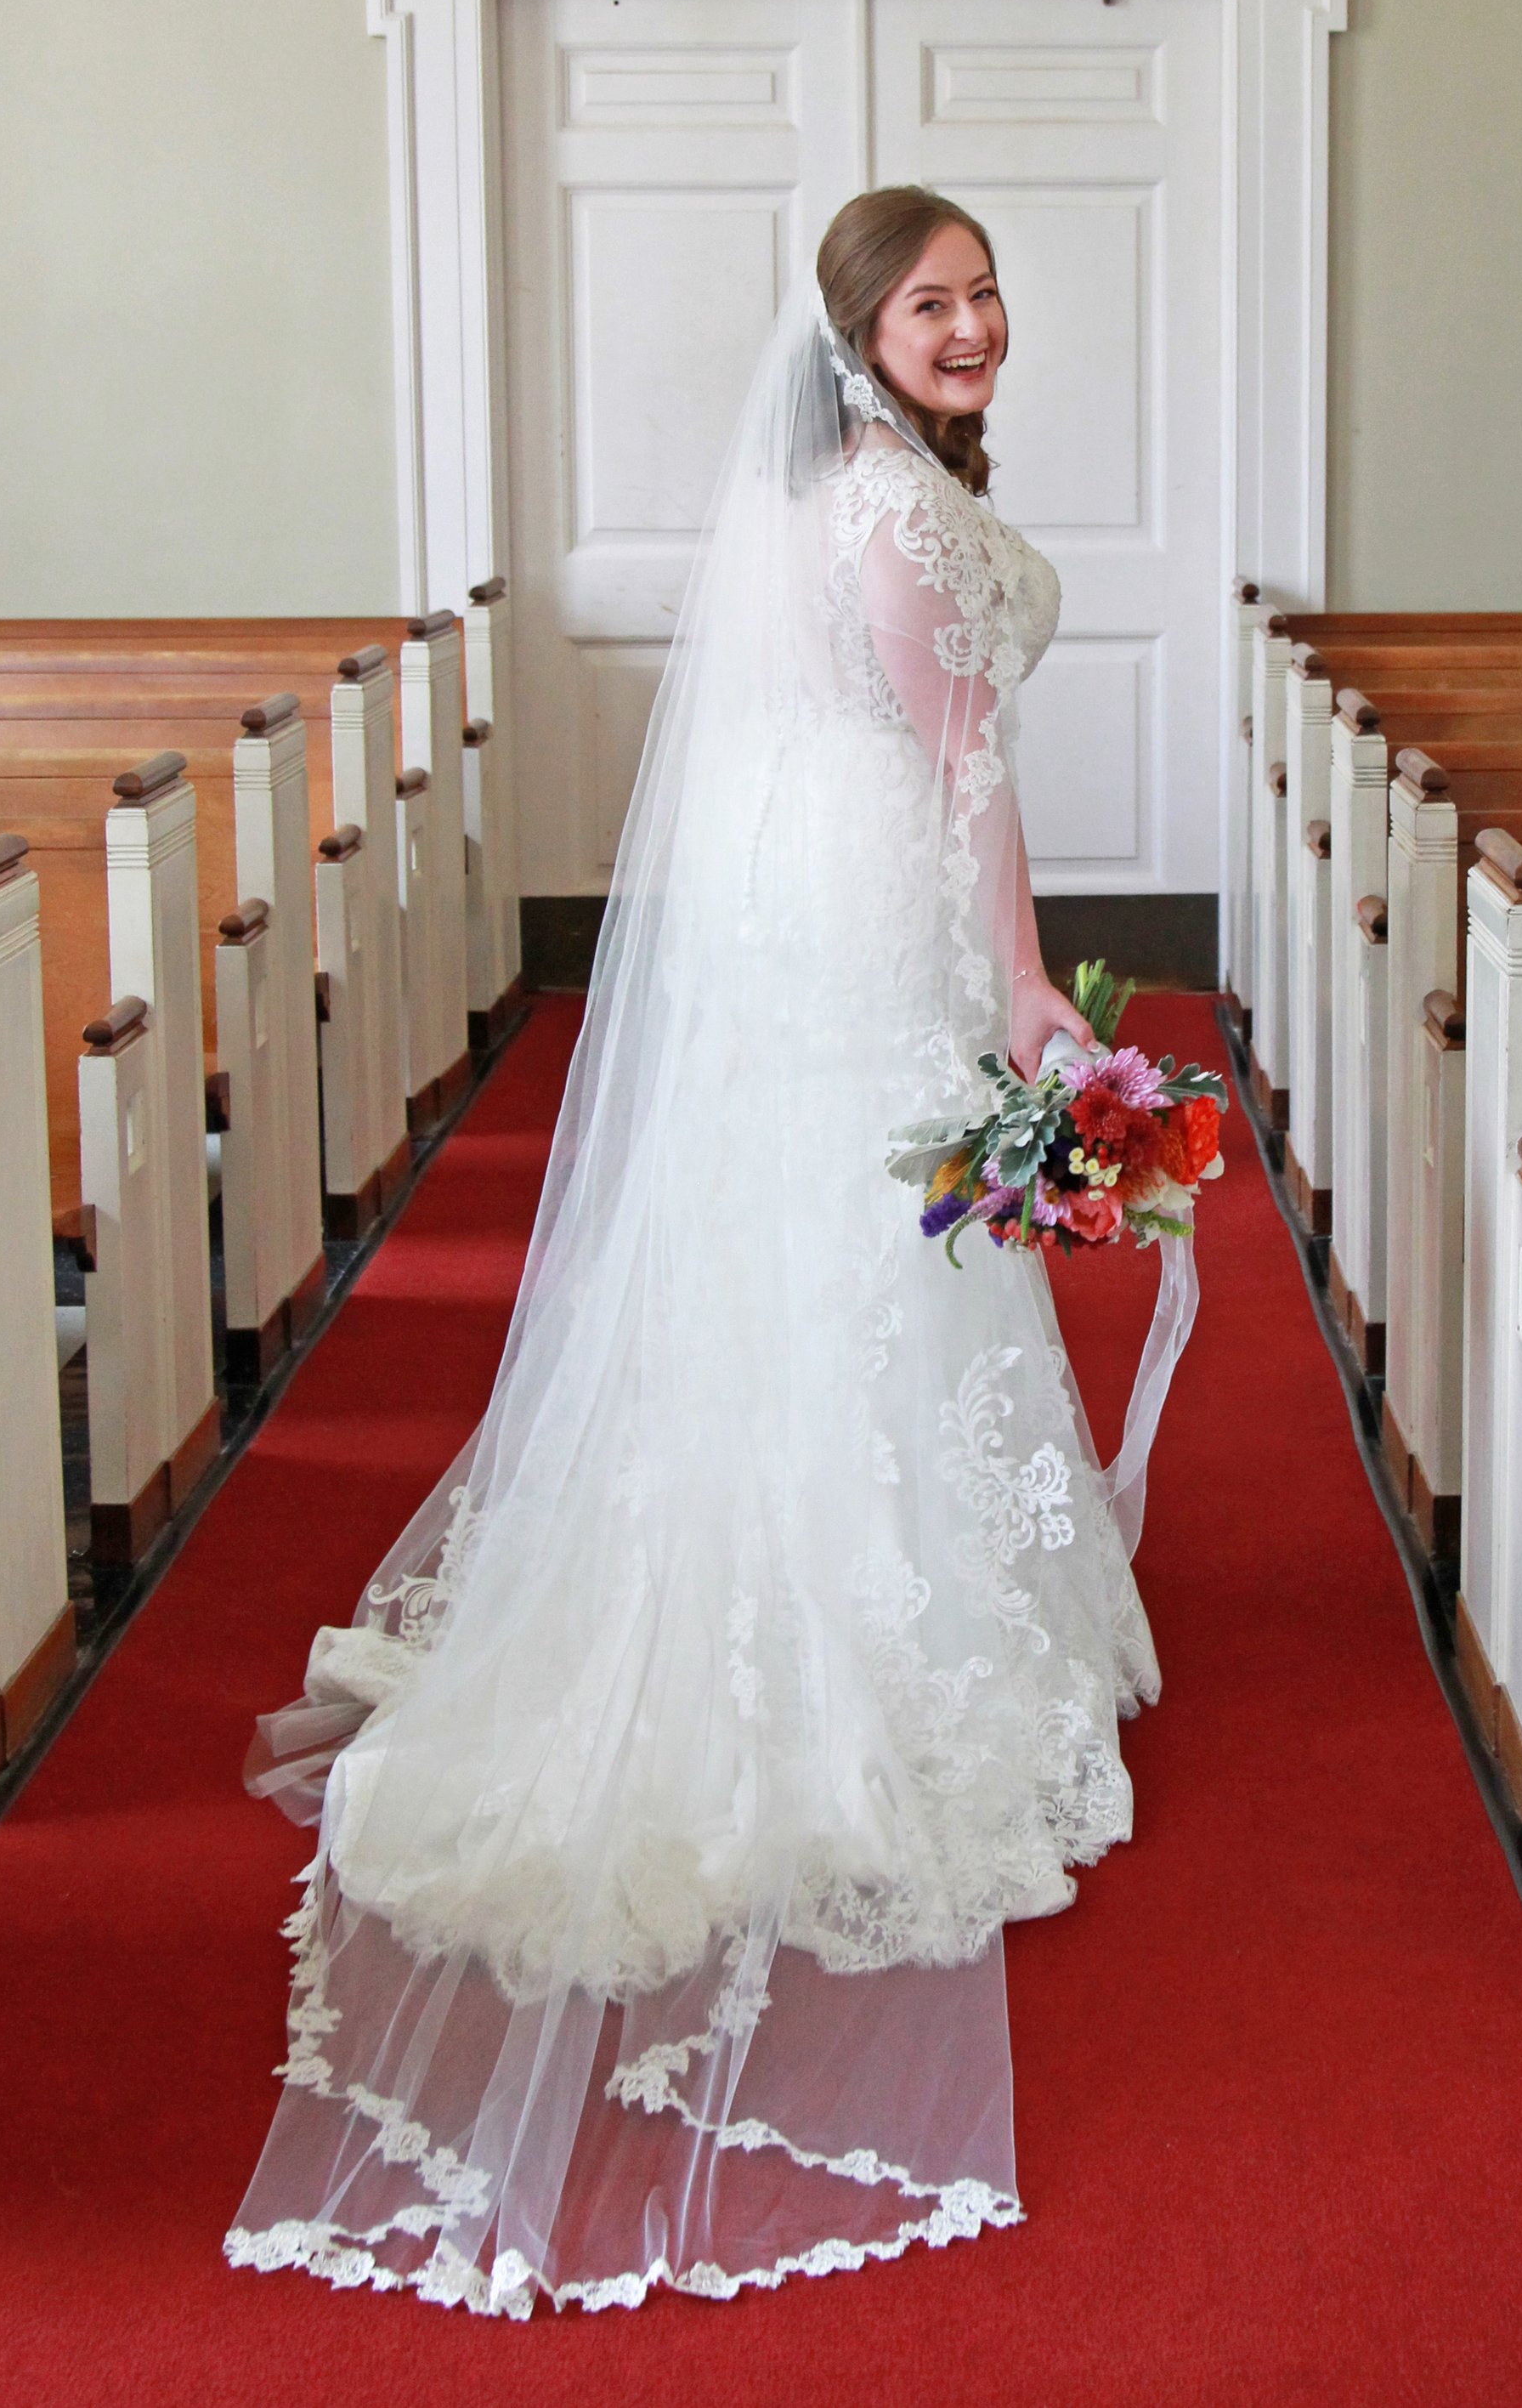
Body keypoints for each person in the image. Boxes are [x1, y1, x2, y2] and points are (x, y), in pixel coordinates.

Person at [225, 185, 1190, 2319]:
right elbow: (962, 766)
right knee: (883, 1251)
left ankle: (811, 1535)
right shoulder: (900, 513)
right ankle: (873, 1610)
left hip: (801, 899)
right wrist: (1022, 982)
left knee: (819, 1246)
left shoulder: (827, 492)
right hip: (875, 898)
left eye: (983, 292)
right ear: (859, 329)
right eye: (930, 302)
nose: (972, 326)